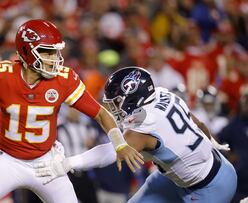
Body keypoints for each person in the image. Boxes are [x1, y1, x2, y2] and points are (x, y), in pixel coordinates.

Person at [0, 19, 144, 203]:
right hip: (7, 160)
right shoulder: (0, 75)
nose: (56, 58)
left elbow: (100, 113)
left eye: (56, 51)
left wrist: (119, 144)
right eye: (48, 51)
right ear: (28, 52)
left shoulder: (63, 79)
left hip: (47, 163)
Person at [34, 67, 237, 203]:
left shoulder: (144, 125)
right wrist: (210, 141)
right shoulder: (162, 93)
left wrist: (69, 163)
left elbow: (110, 151)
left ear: (133, 98)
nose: (113, 109)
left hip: (208, 187)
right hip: (203, 168)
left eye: (116, 102)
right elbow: (197, 122)